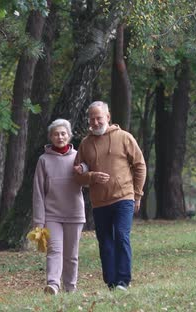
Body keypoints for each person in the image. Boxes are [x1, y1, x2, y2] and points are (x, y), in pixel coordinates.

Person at [74, 101, 146, 291]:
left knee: (121, 236)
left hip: (124, 197)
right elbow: (77, 175)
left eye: (99, 117)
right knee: (105, 242)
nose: (95, 122)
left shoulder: (124, 137)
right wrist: (91, 176)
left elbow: (140, 165)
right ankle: (111, 282)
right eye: (92, 119)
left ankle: (123, 281)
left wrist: (137, 194)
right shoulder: (85, 143)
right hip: (99, 202)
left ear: (108, 117)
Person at [32, 119, 90, 295]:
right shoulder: (43, 160)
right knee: (54, 250)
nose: (60, 137)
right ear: (50, 137)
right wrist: (38, 222)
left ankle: (70, 287)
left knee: (71, 255)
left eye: (63, 133)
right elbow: (38, 193)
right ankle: (53, 285)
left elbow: (88, 176)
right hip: (52, 215)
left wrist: (84, 168)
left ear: (69, 135)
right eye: (56, 134)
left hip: (75, 214)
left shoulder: (78, 157)